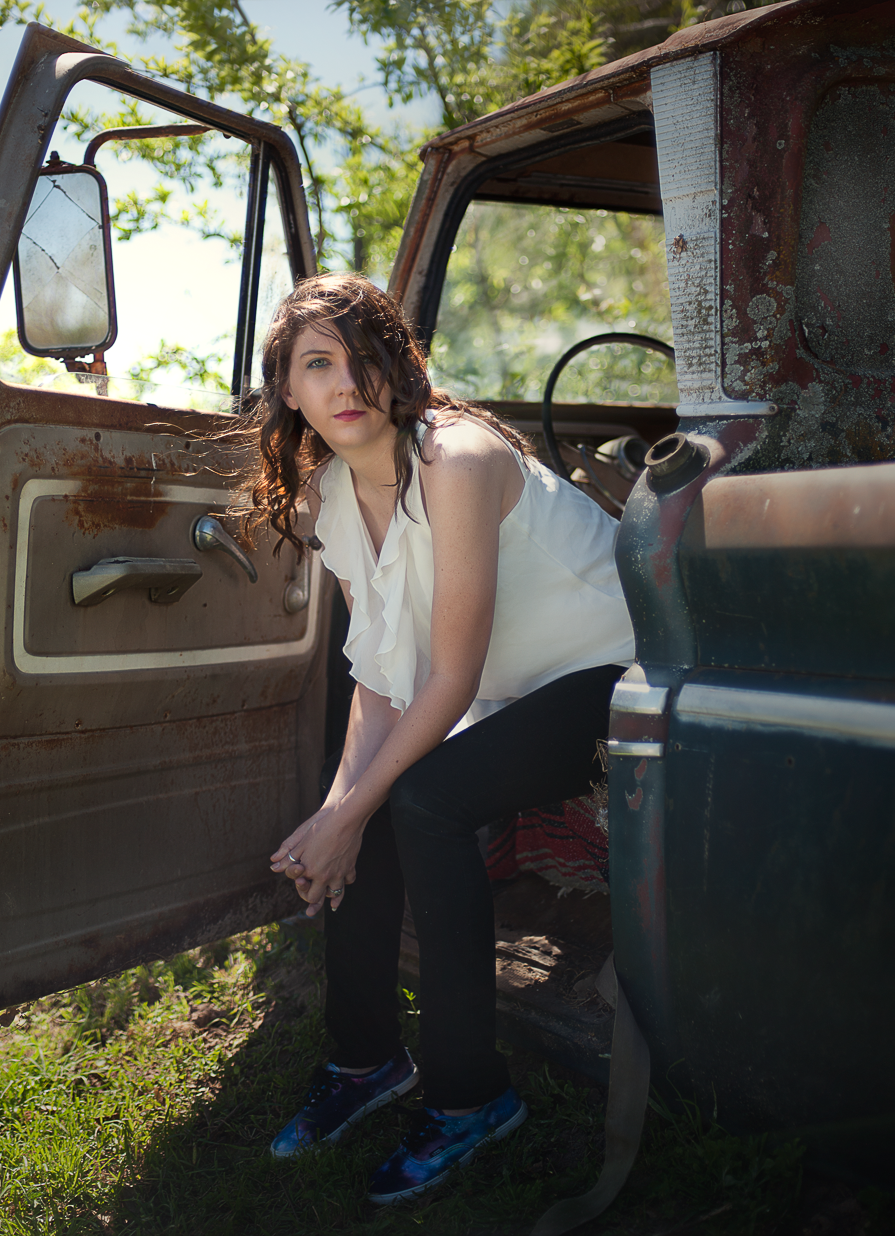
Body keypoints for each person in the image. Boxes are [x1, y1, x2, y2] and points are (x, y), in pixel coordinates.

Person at [236, 272, 634, 1204]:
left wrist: (356, 807)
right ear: (288, 390)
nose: (346, 383)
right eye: (317, 365)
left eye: (365, 357)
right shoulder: (328, 496)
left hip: (620, 671)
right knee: (371, 802)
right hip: (512, 691)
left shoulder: (455, 459)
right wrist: (335, 815)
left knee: (423, 799)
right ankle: (367, 1060)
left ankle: (471, 1098)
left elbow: (447, 678)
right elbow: (378, 676)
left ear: (400, 367)